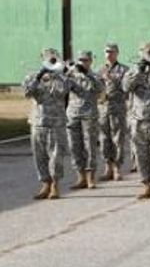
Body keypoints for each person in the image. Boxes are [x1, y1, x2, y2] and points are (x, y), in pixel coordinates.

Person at [123, 42, 150, 200]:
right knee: (140, 153)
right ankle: (145, 184)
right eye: (146, 51)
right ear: (140, 53)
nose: (148, 54)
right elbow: (126, 87)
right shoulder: (132, 70)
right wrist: (138, 72)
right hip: (138, 118)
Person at [24, 48, 70, 200]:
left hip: (56, 122)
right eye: (47, 58)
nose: (50, 60)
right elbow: (27, 93)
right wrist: (38, 77)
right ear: (42, 58)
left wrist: (58, 73)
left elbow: (63, 91)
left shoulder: (62, 77)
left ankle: (55, 184)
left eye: (53, 58)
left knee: (56, 155)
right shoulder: (33, 76)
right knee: (40, 155)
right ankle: (45, 184)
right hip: (38, 122)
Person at [66, 50, 105, 190]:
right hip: (73, 114)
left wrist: (87, 74)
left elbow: (100, 88)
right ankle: (80, 176)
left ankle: (90, 177)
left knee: (90, 147)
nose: (83, 63)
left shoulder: (95, 75)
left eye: (85, 60)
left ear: (90, 61)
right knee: (74, 146)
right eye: (80, 60)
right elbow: (62, 90)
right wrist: (65, 74)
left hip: (89, 114)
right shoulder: (71, 75)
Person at [98, 43, 129, 181]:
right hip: (103, 108)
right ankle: (108, 167)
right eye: (107, 52)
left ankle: (117, 168)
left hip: (118, 108)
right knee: (104, 139)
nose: (109, 54)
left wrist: (113, 79)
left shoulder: (124, 69)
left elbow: (127, 87)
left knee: (118, 139)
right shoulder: (99, 70)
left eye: (112, 52)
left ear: (117, 53)